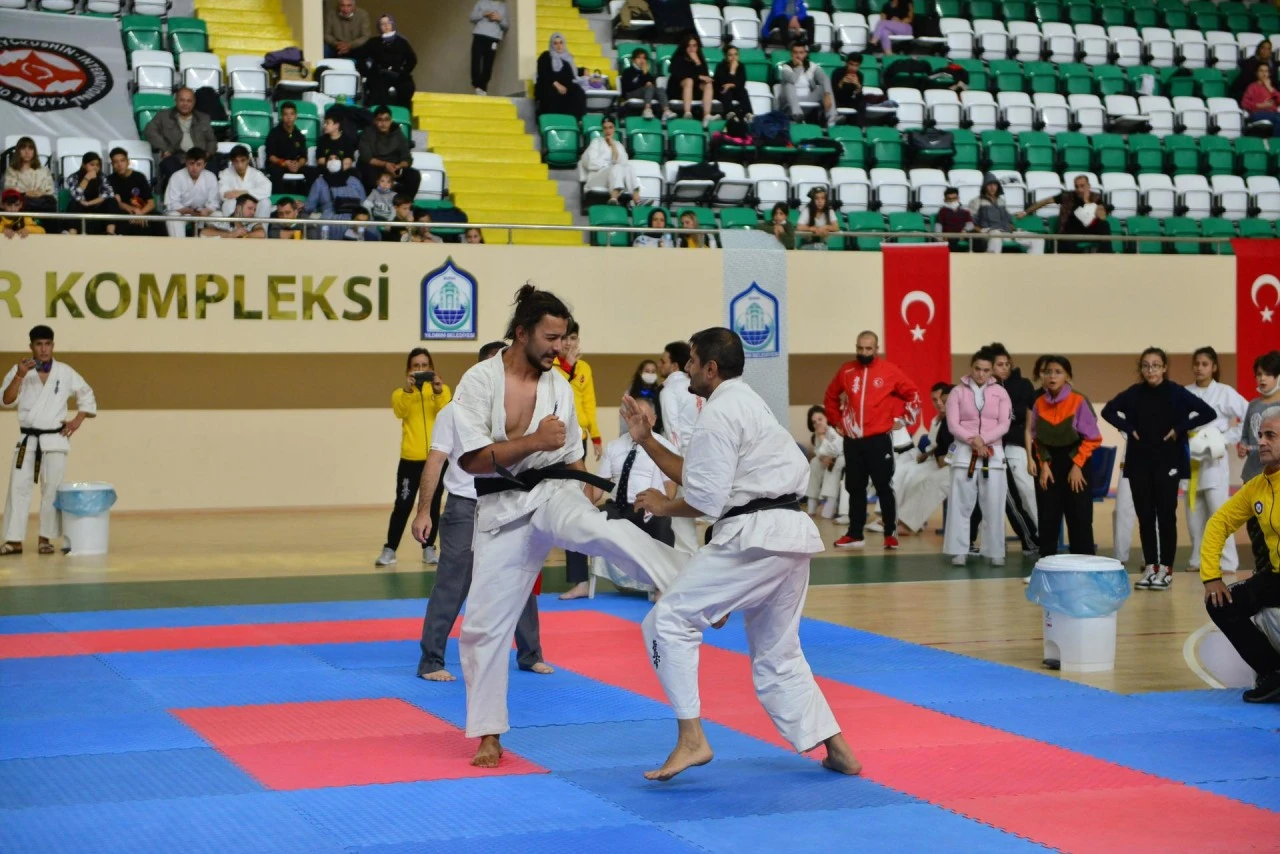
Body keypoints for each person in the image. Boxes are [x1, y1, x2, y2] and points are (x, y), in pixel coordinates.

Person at [442, 284, 684, 767]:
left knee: (600, 531)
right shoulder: (479, 381)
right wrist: (534, 441)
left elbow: (572, 457)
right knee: (482, 629)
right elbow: (471, 460)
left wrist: (588, 498)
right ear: (522, 333)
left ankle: (688, 581)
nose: (560, 348)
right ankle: (489, 733)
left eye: (565, 339)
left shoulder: (560, 387)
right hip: (501, 508)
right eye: (551, 338)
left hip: (555, 492)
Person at [621, 327, 860, 781]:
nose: (686, 368)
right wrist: (647, 439)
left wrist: (663, 505)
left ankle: (692, 738)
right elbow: (702, 475)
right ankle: (839, 749)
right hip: (788, 535)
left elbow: (705, 499)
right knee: (779, 654)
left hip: (756, 536)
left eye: (692, 361)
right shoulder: (746, 402)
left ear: (710, 368)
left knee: (667, 620)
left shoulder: (718, 413)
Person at [411, 341, 552, 681]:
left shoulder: (520, 410)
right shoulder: (454, 411)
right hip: (465, 505)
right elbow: (435, 462)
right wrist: (423, 511)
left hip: (510, 503)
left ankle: (530, 654)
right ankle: (431, 660)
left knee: (520, 576)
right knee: (453, 581)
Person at [1102, 347, 1216, 589]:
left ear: (1164, 368)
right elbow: (1107, 411)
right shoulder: (1134, 393)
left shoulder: (1176, 392)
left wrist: (1179, 429)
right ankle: (1151, 567)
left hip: (1168, 462)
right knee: (1145, 516)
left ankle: (1166, 568)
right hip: (1139, 462)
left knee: (1165, 516)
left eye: (1155, 365)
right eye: (1146, 365)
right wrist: (1128, 428)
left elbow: (1208, 412)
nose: (1150, 370)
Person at [1201, 405, 1280, 704]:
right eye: (1260, 435)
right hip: (1277, 577)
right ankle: (1273, 672)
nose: (1261, 442)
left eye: (1270, 435)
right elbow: (1218, 523)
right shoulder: (1257, 486)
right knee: (1221, 603)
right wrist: (1211, 577)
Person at [1, 326, 96, 556]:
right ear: (31, 347)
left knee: (52, 490)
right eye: (38, 344)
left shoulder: (64, 371)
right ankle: (14, 540)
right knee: (18, 488)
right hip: (28, 440)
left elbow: (86, 394)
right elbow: (6, 400)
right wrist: (20, 375)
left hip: (55, 439)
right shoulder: (19, 370)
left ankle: (46, 538)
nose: (43, 349)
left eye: (47, 344)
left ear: (53, 345)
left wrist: (77, 420)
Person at [824, 330, 921, 549]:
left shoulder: (889, 371)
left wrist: (904, 419)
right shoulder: (846, 370)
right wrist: (837, 421)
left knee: (883, 486)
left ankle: (890, 533)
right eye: (860, 348)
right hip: (853, 440)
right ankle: (855, 534)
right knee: (855, 487)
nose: (864, 352)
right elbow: (830, 396)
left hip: (878, 440)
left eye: (868, 348)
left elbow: (913, 394)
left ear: (876, 349)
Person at [376, 349, 452, 568]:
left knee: (433, 505)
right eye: (416, 366)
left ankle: (428, 548)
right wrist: (408, 391)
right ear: (408, 370)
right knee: (403, 505)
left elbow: (446, 413)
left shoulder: (443, 390)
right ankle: (390, 549)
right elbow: (400, 412)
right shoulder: (400, 394)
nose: (420, 369)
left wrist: (438, 391)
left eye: (424, 365)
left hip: (435, 460)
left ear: (431, 368)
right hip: (410, 460)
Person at [1183, 347, 1248, 577]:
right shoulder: (1185, 392)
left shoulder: (1224, 392)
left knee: (1218, 511)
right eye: (1196, 364)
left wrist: (1225, 438)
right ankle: (1198, 559)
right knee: (1194, 514)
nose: (1199, 368)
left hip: (1214, 457)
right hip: (1190, 456)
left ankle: (1228, 561)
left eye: (1204, 364)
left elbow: (1248, 413)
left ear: (1214, 367)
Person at [945, 348, 1012, 567]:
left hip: (993, 454)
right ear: (971, 368)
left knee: (994, 504)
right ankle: (958, 550)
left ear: (992, 371)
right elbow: (953, 424)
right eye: (977, 369)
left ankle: (995, 551)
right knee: (960, 504)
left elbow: (1004, 424)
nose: (981, 374)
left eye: (986, 370)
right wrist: (973, 440)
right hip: (964, 453)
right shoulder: (957, 392)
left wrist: (983, 439)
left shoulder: (1001, 393)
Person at [1029, 355, 1101, 558]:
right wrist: (1043, 465)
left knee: (1079, 519)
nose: (1052, 376)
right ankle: (1047, 565)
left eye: (1058, 372)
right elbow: (1036, 439)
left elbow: (1093, 438)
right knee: (1048, 518)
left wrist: (1077, 465)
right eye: (1048, 372)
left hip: (1076, 463)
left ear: (1067, 376)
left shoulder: (1078, 401)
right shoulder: (1039, 403)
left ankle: (1084, 565)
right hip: (1049, 466)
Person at [554, 319, 602, 601]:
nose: (569, 343)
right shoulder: (551, 367)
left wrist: (595, 436)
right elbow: (561, 398)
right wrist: (568, 367)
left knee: (575, 505)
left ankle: (580, 580)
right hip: (553, 439)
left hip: (577, 440)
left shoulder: (584, 368)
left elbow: (588, 403)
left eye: (573, 338)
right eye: (565, 338)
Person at [988, 343, 1039, 558]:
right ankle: (997, 542)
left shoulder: (1023, 384)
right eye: (999, 364)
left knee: (1027, 493)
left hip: (1016, 447)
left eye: (1007, 364)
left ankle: (1041, 535)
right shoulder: (986, 388)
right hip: (994, 449)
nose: (1005, 368)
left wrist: (1004, 416)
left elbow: (1023, 414)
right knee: (1001, 499)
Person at [658, 340, 702, 554]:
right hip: (704, 456)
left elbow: (672, 430)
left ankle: (688, 558)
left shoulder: (669, 391)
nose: (660, 364)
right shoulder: (698, 388)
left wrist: (674, 466)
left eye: (663, 361)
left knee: (681, 517)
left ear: (674, 365)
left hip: (683, 458)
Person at [897, 383, 955, 534]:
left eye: (947, 401)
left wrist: (946, 458)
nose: (941, 404)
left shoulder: (966, 418)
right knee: (916, 477)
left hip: (968, 464)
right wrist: (941, 456)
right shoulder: (945, 421)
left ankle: (907, 523)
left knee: (931, 480)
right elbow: (942, 445)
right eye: (940, 400)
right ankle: (902, 519)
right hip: (948, 462)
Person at [1241, 351, 1280, 574]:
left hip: (1275, 479)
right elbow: (1245, 436)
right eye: (1258, 374)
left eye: (1268, 374)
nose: (1262, 378)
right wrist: (1243, 445)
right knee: (1255, 530)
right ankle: (1261, 573)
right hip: (1252, 476)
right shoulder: (1253, 405)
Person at [143, 88, 217, 189]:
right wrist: (165, 149)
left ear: (194, 102)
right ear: (176, 101)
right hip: (176, 157)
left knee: (213, 168)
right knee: (168, 165)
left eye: (189, 101)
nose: (185, 104)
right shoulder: (164, 116)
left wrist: (206, 155)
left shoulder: (203, 118)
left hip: (199, 157)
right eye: (182, 100)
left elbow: (212, 140)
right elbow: (149, 131)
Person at [1022, 174, 1111, 254]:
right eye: (1076, 186)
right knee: (1067, 242)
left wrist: (1087, 201)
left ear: (1089, 186)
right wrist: (1026, 212)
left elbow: (1102, 218)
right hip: (1071, 228)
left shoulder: (1096, 197)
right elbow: (1045, 201)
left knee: (1104, 225)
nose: (1079, 189)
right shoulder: (1067, 196)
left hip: (1089, 228)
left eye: (1082, 186)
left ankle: (1106, 254)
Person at [358, 106, 421, 200]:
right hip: (375, 166)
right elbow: (366, 157)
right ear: (375, 121)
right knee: (367, 173)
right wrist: (385, 165)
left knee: (414, 175)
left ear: (391, 120)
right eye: (380, 120)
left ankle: (402, 203)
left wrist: (398, 166)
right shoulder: (368, 132)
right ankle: (375, 203)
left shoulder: (398, 133)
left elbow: (407, 158)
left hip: (394, 167)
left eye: (386, 120)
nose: (383, 123)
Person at [971, 173, 1042, 254]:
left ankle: (1034, 262)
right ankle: (992, 261)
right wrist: (981, 231)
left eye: (995, 185)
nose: (992, 187)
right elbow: (970, 222)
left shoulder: (1001, 201)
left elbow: (1008, 220)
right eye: (989, 185)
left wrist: (1012, 227)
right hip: (989, 232)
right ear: (984, 187)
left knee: (1038, 239)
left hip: (1006, 232)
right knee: (996, 234)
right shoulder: (976, 201)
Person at [579, 116, 641, 207]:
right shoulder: (596, 143)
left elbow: (624, 164)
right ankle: (614, 197)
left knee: (629, 167)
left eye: (610, 127)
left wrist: (613, 146)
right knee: (616, 167)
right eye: (605, 128)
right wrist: (610, 163)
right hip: (596, 178)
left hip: (614, 177)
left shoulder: (618, 145)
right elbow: (592, 164)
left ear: (614, 129)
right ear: (602, 130)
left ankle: (637, 200)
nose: (608, 131)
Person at [163, 147, 220, 238]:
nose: (194, 168)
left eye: (198, 164)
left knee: (218, 215)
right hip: (183, 212)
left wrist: (207, 210)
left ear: (204, 165)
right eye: (191, 163)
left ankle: (214, 245)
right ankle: (178, 245)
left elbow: (214, 202)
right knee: (173, 216)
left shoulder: (211, 177)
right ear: (186, 163)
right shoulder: (176, 177)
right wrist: (188, 211)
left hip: (203, 212)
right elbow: (172, 203)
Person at [363, 15, 417, 108]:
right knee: (378, 89)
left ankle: (402, 111)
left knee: (407, 87)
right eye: (382, 24)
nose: (386, 25)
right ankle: (381, 112)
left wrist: (403, 71)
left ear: (392, 24)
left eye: (388, 23)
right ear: (379, 27)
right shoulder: (373, 42)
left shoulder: (402, 42)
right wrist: (368, 72)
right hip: (379, 74)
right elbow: (362, 58)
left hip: (398, 74)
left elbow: (412, 60)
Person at [778, 41, 836, 128]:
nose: (798, 55)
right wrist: (799, 67)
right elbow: (792, 79)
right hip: (790, 100)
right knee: (789, 85)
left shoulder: (811, 66)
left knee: (824, 87)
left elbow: (825, 79)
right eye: (795, 52)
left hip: (807, 97)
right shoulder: (785, 67)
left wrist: (827, 94)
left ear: (805, 54)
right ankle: (797, 116)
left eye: (801, 53)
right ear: (791, 54)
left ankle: (832, 120)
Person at [105, 147, 160, 237]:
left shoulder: (139, 177)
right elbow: (117, 203)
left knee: (158, 218)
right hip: (124, 212)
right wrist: (134, 211)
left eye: (122, 161)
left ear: (128, 162)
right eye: (116, 162)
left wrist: (140, 213)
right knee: (121, 219)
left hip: (142, 210)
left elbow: (151, 203)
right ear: (112, 165)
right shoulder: (110, 180)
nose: (119, 164)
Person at [305, 157, 366, 239]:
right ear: (326, 163)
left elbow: (363, 202)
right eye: (330, 159)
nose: (334, 161)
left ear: (341, 162)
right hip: (330, 217)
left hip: (355, 215)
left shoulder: (354, 181)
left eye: (336, 158)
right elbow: (310, 206)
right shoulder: (319, 182)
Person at [264, 102, 315, 195]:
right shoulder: (274, 133)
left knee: (312, 172)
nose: (289, 117)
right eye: (285, 114)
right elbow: (270, 156)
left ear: (296, 116)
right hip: (279, 164)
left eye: (291, 114)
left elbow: (303, 157)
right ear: (281, 116)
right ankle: (279, 199)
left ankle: (306, 200)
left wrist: (298, 165)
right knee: (276, 172)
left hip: (294, 164)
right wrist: (284, 163)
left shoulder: (299, 135)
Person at [806, 405, 846, 519]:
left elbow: (835, 450)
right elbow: (817, 450)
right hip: (826, 459)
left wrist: (822, 437)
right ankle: (812, 501)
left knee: (832, 466)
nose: (818, 423)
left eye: (820, 419)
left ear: (826, 418)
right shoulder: (817, 434)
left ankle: (830, 505)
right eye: (814, 422)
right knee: (814, 463)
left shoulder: (833, 431)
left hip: (840, 459)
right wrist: (822, 458)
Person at [667, 33, 714, 126]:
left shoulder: (699, 58)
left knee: (708, 84)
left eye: (694, 45)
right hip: (678, 90)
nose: (692, 48)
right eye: (689, 46)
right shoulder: (678, 57)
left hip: (695, 91)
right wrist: (698, 77)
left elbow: (705, 76)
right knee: (689, 80)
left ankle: (706, 115)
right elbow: (678, 74)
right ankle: (687, 113)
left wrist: (697, 61)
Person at [536, 34, 587, 119]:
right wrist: (556, 84)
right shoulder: (546, 56)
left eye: (561, 43)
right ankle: (552, 120)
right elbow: (543, 72)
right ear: (552, 44)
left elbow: (571, 71)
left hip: (565, 87)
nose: (559, 46)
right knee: (550, 92)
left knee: (578, 91)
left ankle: (574, 120)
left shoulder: (567, 57)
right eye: (555, 43)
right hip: (550, 85)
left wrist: (583, 70)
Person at [3, 137, 55, 214]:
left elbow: (50, 189)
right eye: (23, 148)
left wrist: (40, 194)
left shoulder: (44, 170)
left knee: (51, 201)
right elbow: (9, 188)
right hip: (22, 200)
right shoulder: (11, 171)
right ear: (18, 151)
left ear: (34, 151)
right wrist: (26, 193)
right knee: (16, 200)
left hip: (41, 199)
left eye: (30, 149)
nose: (27, 152)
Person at [218, 145, 273, 216]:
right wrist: (249, 194)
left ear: (248, 160)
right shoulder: (225, 174)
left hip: (253, 207)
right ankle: (234, 223)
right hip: (235, 205)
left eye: (243, 160)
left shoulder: (256, 173)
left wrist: (242, 192)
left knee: (266, 202)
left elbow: (267, 188)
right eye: (236, 161)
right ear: (232, 161)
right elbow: (224, 194)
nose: (240, 165)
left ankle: (260, 224)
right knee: (229, 203)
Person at [62, 152, 109, 235]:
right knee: (74, 203)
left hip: (96, 207)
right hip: (80, 208)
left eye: (97, 165)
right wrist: (86, 179)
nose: (95, 167)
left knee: (111, 202)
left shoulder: (102, 177)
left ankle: (110, 233)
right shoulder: (73, 177)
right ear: (84, 165)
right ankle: (72, 233)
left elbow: (107, 194)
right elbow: (76, 197)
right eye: (92, 164)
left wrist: (89, 203)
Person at [621, 49, 672, 121]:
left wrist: (645, 73)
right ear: (633, 60)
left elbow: (653, 86)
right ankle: (647, 109)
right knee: (649, 87)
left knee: (660, 89)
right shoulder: (627, 71)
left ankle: (666, 110)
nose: (642, 60)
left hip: (646, 93)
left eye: (644, 58)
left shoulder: (646, 73)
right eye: (639, 58)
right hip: (630, 93)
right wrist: (644, 86)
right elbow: (627, 87)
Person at [469, 0, 508, 96]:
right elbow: (471, 18)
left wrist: (499, 19)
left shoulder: (503, 6)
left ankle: (483, 87)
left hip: (493, 38)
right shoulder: (481, 2)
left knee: (488, 63)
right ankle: (477, 85)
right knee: (476, 60)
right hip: (479, 35)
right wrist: (483, 13)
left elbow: (506, 26)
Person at [200, 193, 266, 238]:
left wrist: (241, 235)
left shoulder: (253, 222)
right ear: (238, 208)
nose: (253, 212)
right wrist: (231, 234)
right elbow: (204, 232)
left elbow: (261, 234)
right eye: (250, 208)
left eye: (254, 210)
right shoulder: (224, 219)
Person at [713, 45, 751, 120]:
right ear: (725, 57)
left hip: (735, 91)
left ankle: (748, 113)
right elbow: (722, 83)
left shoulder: (741, 66)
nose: (734, 57)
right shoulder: (720, 66)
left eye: (736, 54)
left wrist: (731, 85)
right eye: (730, 55)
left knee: (743, 91)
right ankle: (729, 113)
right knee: (726, 90)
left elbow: (742, 83)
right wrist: (732, 71)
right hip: (721, 92)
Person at [1242, 63, 1280, 135]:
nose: (1264, 73)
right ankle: (1276, 141)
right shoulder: (1252, 87)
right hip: (1258, 113)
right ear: (1257, 73)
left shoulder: (1272, 89)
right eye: (1261, 71)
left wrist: (1269, 87)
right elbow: (1244, 103)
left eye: (1266, 71)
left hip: (1273, 113)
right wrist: (1260, 105)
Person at [832, 53, 865, 118]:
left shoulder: (860, 75)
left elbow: (858, 96)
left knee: (862, 104)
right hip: (838, 100)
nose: (853, 68)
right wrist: (841, 83)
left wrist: (858, 85)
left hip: (851, 101)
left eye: (856, 65)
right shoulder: (837, 72)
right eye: (851, 64)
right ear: (846, 63)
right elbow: (833, 92)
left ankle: (858, 124)